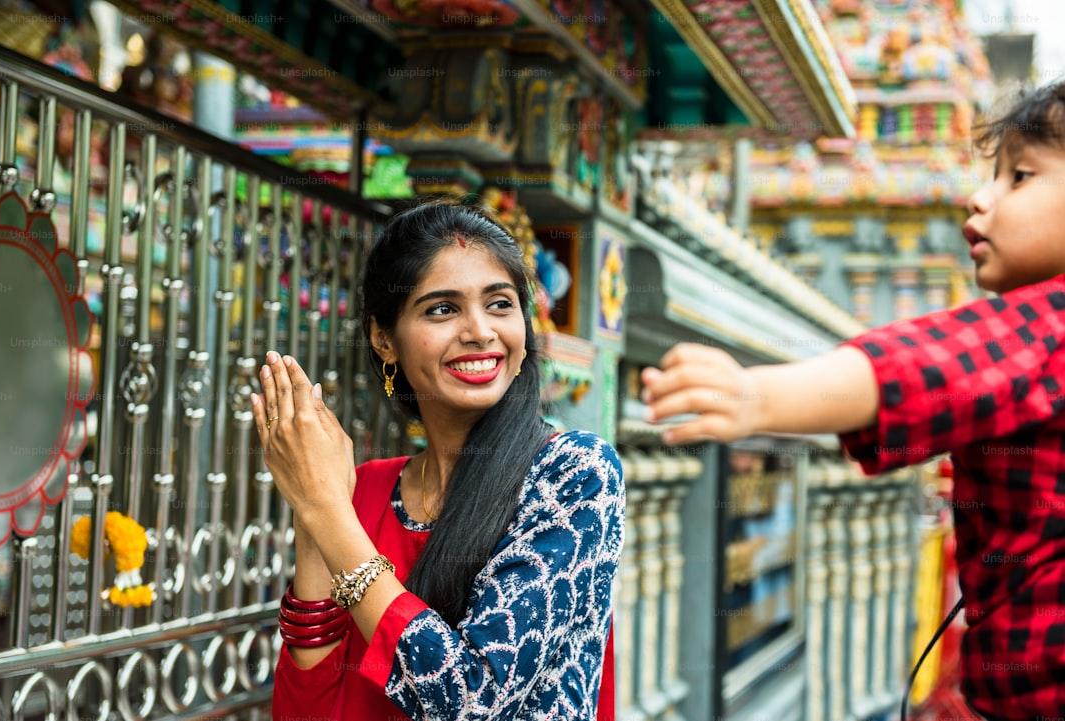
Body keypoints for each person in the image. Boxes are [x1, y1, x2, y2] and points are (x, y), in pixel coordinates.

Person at [640, 81, 1065, 721]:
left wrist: (758, 395)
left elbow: (930, 366)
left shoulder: (1051, 327)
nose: (980, 198)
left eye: (1020, 177)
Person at [254, 202, 624, 721]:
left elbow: (472, 698)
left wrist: (326, 511)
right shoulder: (364, 490)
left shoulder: (575, 475)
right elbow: (306, 713)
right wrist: (314, 507)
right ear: (385, 339)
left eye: (500, 304)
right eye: (442, 309)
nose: (479, 331)